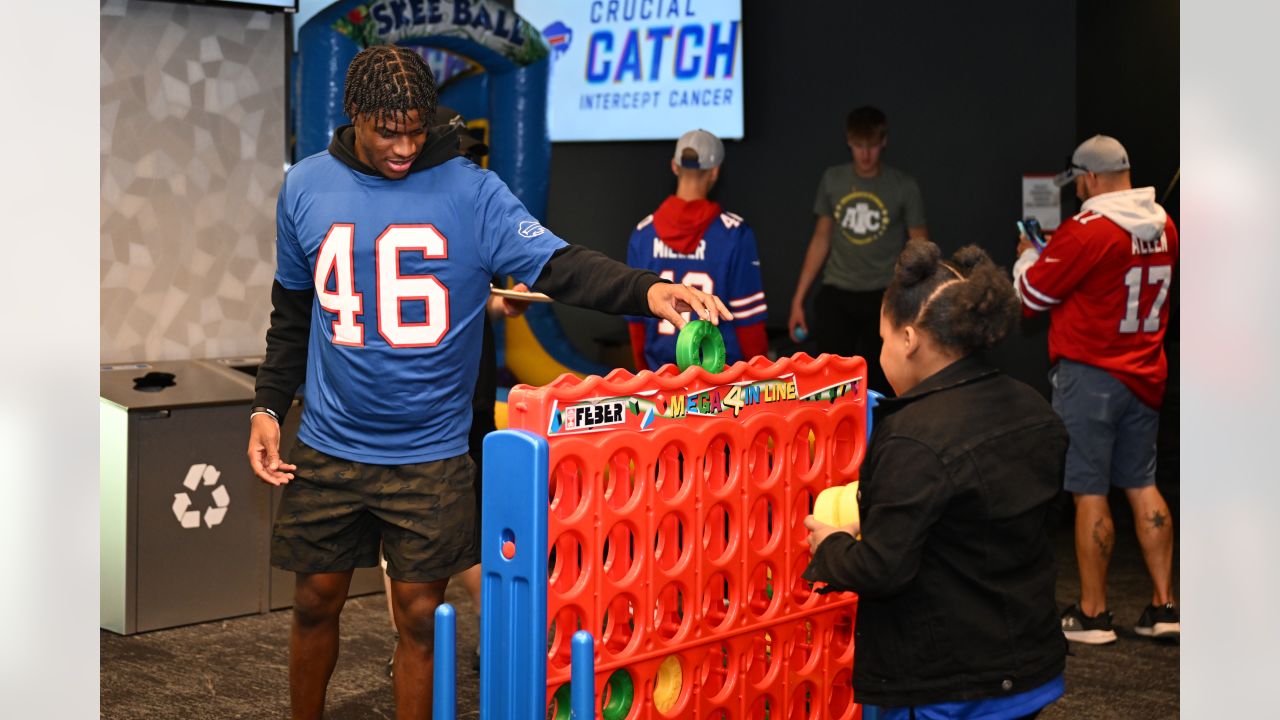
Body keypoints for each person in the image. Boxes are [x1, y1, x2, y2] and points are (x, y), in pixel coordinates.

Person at [245, 45, 732, 720]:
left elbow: (559, 265)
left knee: (420, 618)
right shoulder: (304, 185)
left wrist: (648, 290)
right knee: (313, 601)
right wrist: (267, 406)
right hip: (332, 443)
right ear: (354, 113)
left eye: (418, 127)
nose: (406, 145)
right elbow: (293, 311)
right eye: (389, 130)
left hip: (432, 454)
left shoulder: (472, 191)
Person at [803, 239, 1068, 719]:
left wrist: (833, 547)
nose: (883, 351)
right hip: (1029, 666)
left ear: (908, 339)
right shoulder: (1034, 407)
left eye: (883, 340)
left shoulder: (911, 436)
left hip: (946, 686)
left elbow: (882, 569)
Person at [1013, 134, 1180, 644]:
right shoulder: (1166, 226)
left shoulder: (1086, 230)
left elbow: (1030, 297)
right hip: (1145, 372)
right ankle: (1163, 605)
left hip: (1090, 377)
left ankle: (1093, 615)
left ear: (1088, 178)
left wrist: (1026, 256)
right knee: (1141, 484)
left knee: (1089, 490)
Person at [378, 107, 518, 678]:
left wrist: (493, 300)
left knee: (443, 520)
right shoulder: (392, 206)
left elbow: (480, 289)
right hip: (403, 388)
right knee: (406, 530)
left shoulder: (476, 204)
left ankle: (482, 612)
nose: (465, 168)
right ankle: (418, 642)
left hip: (457, 388)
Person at [788, 106, 927, 393]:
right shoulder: (833, 179)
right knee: (830, 384)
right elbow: (821, 238)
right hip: (837, 292)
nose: (866, 154)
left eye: (872, 146)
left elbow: (920, 246)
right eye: (859, 146)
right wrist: (798, 299)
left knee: (884, 383)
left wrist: (921, 302)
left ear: (883, 142)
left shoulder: (903, 186)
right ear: (849, 142)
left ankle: (883, 438)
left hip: (884, 296)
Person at [625, 129, 768, 370]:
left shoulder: (642, 234)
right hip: (723, 382)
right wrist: (762, 381)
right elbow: (749, 324)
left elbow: (635, 323)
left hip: (662, 377)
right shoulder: (735, 234)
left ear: (674, 166)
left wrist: (645, 375)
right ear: (714, 172)